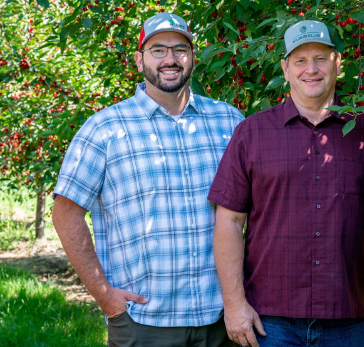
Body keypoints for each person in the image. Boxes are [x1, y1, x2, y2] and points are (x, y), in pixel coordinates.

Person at [51, 12, 242, 347]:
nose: (170, 59)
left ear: (193, 57)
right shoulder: (104, 129)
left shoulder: (229, 121)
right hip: (144, 321)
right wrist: (106, 297)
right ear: (140, 60)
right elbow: (66, 213)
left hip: (224, 318)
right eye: (158, 50)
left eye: (180, 49)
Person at [208, 20, 364, 347]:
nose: (311, 69)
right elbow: (230, 221)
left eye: (320, 58)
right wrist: (234, 304)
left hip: (346, 317)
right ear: (285, 68)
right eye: (300, 60)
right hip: (270, 321)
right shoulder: (251, 134)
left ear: (337, 63)